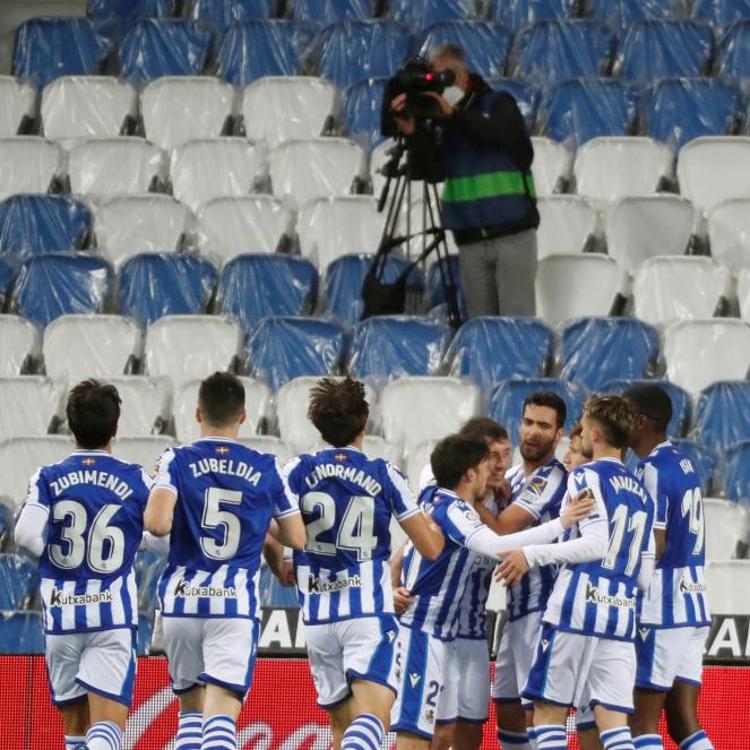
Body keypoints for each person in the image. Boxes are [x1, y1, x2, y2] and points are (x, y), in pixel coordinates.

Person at [391, 434, 594, 750]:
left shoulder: (436, 497)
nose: (493, 475)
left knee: (443, 734)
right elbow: (498, 545)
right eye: (487, 468)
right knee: (415, 738)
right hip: (422, 632)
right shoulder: (453, 509)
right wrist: (561, 524)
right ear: (470, 473)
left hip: (443, 637)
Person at [279, 377, 444, 750]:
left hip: (317, 618)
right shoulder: (384, 473)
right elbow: (430, 548)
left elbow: (269, 528)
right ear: (364, 421)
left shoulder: (295, 472)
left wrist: (286, 559)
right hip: (367, 614)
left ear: (319, 425)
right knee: (373, 718)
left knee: (342, 725)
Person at [144, 372, 306, 750]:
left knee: (189, 714)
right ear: (244, 416)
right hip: (232, 605)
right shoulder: (265, 467)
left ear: (198, 413)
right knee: (220, 721)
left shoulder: (176, 459)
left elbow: (156, 523)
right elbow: (297, 537)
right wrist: (259, 522)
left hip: (182, 603)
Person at [499, 395, 656, 750]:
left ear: (596, 435)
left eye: (583, 428)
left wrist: (531, 555)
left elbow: (597, 544)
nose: (580, 434)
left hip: (576, 610)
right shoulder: (642, 494)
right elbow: (645, 576)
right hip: (620, 616)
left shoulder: (586, 474)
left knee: (547, 713)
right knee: (615, 728)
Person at [14, 380, 152, 750]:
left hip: (62, 616)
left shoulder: (47, 477)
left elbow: (25, 535)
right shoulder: (136, 478)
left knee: (75, 731)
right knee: (107, 729)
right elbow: (163, 535)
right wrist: (129, 544)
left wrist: (56, 557)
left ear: (69, 425)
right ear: (116, 427)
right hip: (110, 617)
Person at [390, 43, 539, 318]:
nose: (442, 84)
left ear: (465, 73)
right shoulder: (441, 120)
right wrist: (413, 132)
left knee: (516, 333)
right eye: (435, 78)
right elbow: (432, 171)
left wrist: (453, 115)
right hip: (469, 242)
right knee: (481, 333)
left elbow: (495, 134)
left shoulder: (498, 103)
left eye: (446, 76)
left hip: (512, 236)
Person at [398, 417, 512, 750]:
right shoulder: (441, 494)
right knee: (430, 731)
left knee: (466, 731)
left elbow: (508, 534)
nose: (500, 464)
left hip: (472, 632)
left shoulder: (507, 498)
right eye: (491, 455)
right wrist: (393, 586)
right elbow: (407, 549)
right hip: (432, 626)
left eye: (506, 454)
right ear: (472, 466)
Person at [624, 385, 714, 750]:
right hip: (694, 602)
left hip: (662, 606)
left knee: (640, 724)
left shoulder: (651, 469)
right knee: (682, 721)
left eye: (625, 415)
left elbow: (655, 543)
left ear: (640, 421)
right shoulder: (683, 460)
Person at [479, 393, 568, 750]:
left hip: (543, 609)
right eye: (528, 422)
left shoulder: (554, 477)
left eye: (544, 426)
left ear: (558, 434)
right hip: (513, 610)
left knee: (537, 713)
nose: (533, 432)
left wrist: (465, 496)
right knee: (508, 708)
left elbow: (503, 530)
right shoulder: (512, 475)